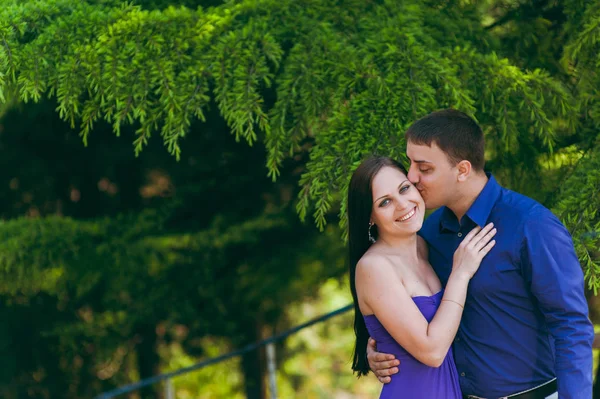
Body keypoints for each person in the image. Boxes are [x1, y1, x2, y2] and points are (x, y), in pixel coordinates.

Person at [367, 109, 594, 399]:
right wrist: (378, 348)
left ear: (462, 170)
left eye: (424, 168)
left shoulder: (531, 225)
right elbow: (406, 307)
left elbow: (571, 325)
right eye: (410, 164)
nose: (411, 177)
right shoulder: (426, 235)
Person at [348, 156, 497, 398]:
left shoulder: (425, 245)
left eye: (404, 188)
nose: (403, 204)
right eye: (385, 202)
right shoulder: (374, 267)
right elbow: (432, 352)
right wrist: (460, 274)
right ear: (370, 217)